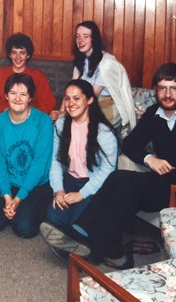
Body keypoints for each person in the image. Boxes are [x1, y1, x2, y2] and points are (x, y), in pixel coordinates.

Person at [40, 62, 176, 269]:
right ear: (155, 90)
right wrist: (149, 159)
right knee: (119, 178)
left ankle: (94, 250)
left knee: (127, 187)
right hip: (162, 182)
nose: (168, 94)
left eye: (174, 88)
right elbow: (131, 144)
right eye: (162, 88)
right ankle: (88, 235)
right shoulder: (154, 114)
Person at [0, 73, 53, 238]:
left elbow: (39, 164)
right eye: (13, 93)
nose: (18, 98)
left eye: (23, 94)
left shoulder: (43, 121)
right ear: (6, 96)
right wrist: (8, 197)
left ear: (30, 98)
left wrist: (19, 198)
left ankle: (26, 211)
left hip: (35, 184)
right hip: (8, 182)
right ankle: (12, 210)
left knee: (24, 228)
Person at [44, 79, 118, 233]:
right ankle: (69, 236)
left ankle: (76, 238)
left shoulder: (103, 132)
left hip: (93, 182)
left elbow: (108, 170)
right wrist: (58, 189)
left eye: (76, 98)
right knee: (54, 217)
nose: (71, 103)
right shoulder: (60, 124)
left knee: (79, 223)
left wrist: (81, 195)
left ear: (90, 100)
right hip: (69, 180)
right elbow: (55, 161)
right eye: (67, 98)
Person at [0, 33, 58, 133]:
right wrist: (4, 111)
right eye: (14, 52)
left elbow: (49, 102)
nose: (18, 57)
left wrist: (29, 113)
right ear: (9, 55)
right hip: (4, 120)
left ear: (28, 55)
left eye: (22, 53)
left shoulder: (37, 75)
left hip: (30, 121)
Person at [71, 21, 135, 132]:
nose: (80, 40)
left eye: (85, 36)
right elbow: (72, 89)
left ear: (93, 39)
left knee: (84, 126)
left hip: (108, 105)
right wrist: (61, 111)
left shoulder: (106, 64)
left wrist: (71, 111)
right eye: (77, 36)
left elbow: (92, 95)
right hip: (87, 102)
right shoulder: (81, 61)